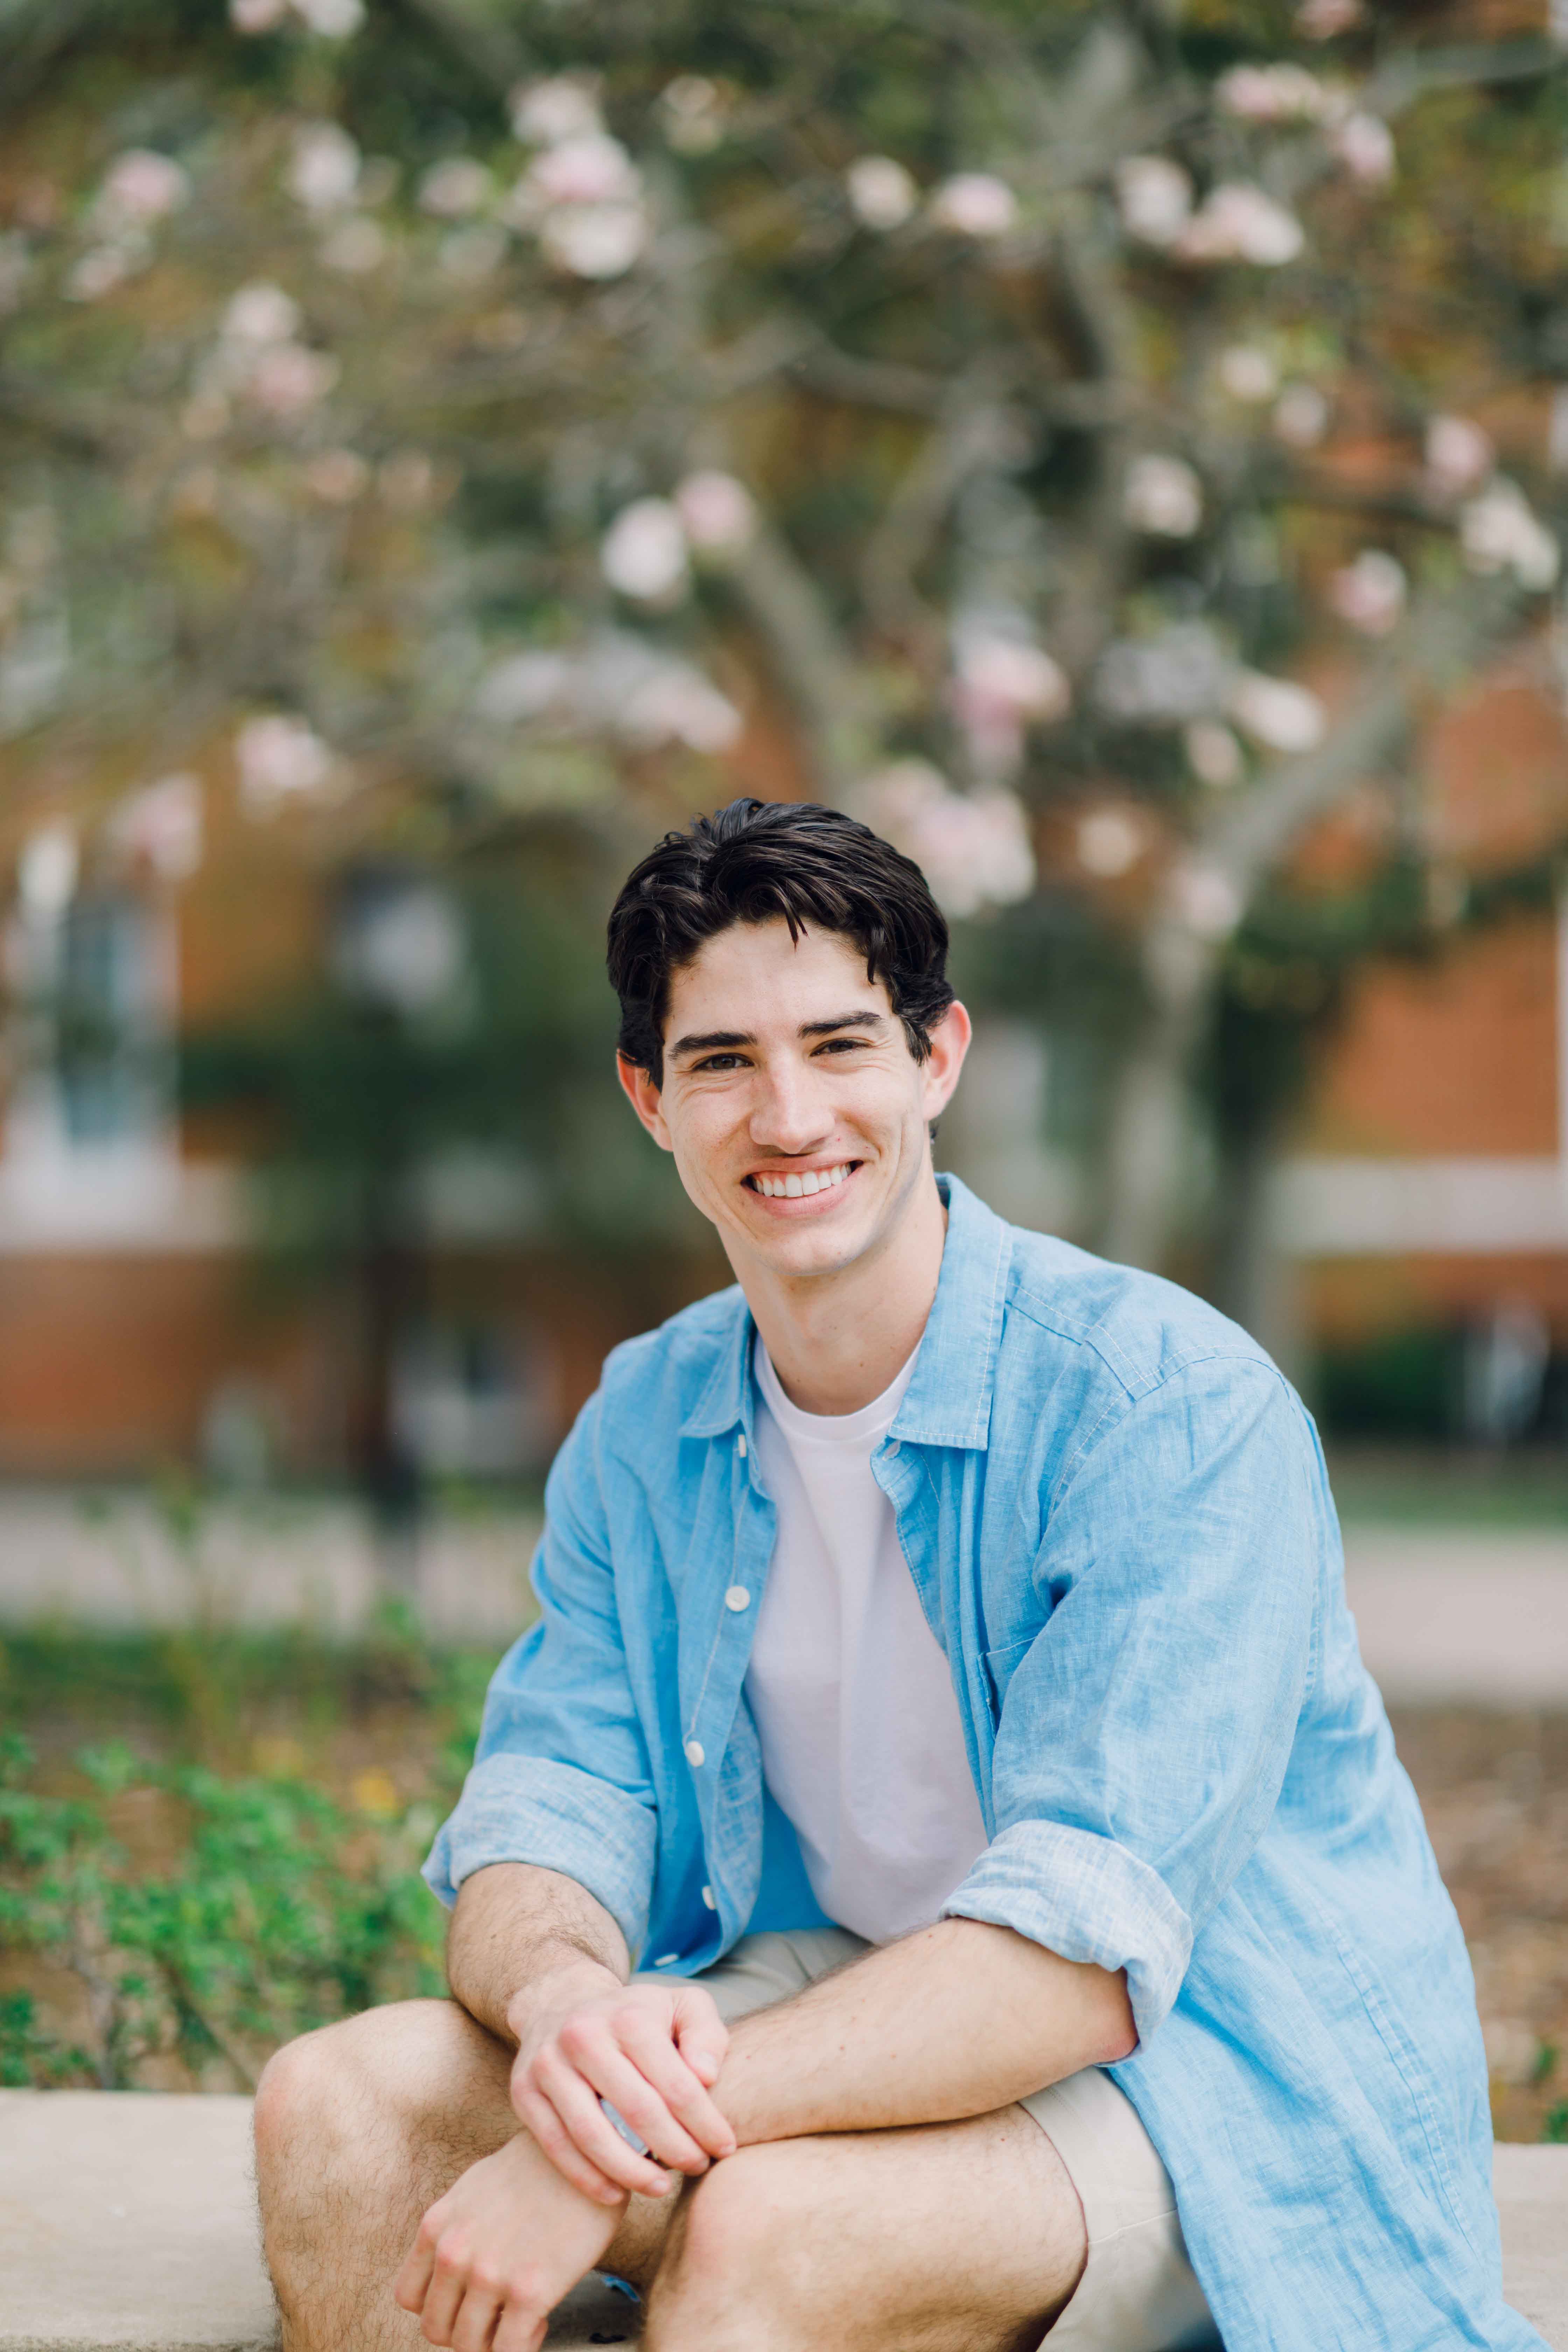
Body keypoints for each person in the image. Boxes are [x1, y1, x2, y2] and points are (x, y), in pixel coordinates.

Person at [254, 798, 1542, 2352]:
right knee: (339, 2113)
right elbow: (546, 1810)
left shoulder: (1168, 1411)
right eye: (721, 1061)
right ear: (648, 1100)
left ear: (937, 1058)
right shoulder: (646, 1419)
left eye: (841, 1045)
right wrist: (569, 2016)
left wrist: (596, 2152)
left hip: (1197, 2073)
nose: (787, 1117)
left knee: (770, 2236)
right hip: (837, 1995)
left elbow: (1071, 1967)